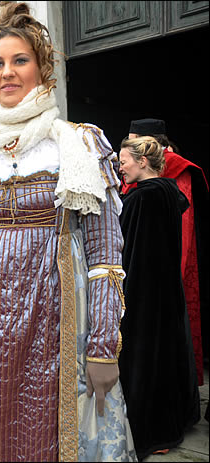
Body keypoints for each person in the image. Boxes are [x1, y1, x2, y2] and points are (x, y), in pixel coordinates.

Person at [0, 3, 136, 461]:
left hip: (57, 325)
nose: (7, 73)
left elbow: (104, 253)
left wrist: (103, 346)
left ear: (42, 67)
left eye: (19, 60)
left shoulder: (79, 144)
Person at [118, 136, 200, 459]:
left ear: (142, 162)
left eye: (124, 160)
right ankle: (169, 429)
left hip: (143, 296)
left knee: (143, 364)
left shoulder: (141, 199)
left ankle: (149, 433)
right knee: (166, 360)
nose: (121, 166)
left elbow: (128, 252)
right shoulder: (169, 192)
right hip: (167, 292)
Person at [122, 118, 208, 387]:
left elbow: (181, 227)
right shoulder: (139, 176)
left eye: (133, 139)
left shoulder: (176, 172)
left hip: (161, 270)